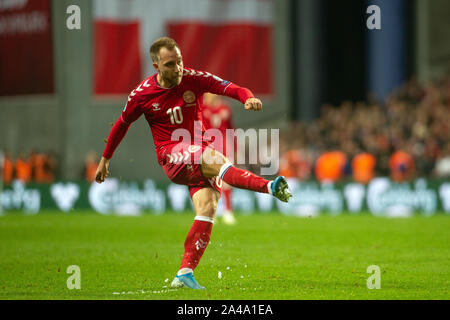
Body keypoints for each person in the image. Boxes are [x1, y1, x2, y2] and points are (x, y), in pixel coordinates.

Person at [95, 37, 291, 290]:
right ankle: (269, 187)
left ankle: (184, 273)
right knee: (217, 159)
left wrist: (247, 97)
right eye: (169, 64)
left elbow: (230, 88)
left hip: (196, 152)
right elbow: (122, 124)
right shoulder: (141, 94)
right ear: (155, 66)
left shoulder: (193, 78)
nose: (177, 68)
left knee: (208, 207)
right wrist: (105, 159)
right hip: (171, 153)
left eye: (179, 61)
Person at [202, 92, 236, 225]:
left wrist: (234, 147)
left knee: (226, 180)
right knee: (209, 181)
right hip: (208, 148)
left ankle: (228, 211)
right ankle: (211, 212)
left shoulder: (225, 109)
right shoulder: (202, 109)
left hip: (224, 148)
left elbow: (231, 129)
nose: (208, 96)